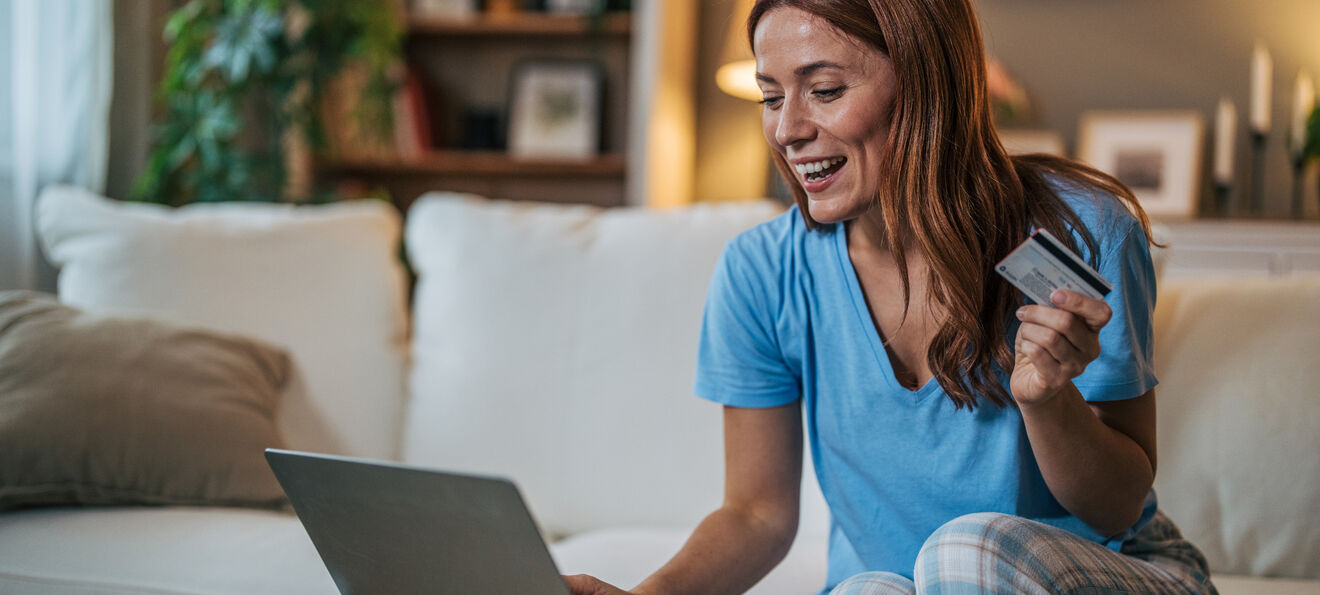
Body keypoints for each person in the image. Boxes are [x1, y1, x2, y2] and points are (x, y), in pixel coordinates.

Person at [566, 0, 1216, 593]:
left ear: (925, 81)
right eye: (770, 97)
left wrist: (1048, 403)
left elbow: (1118, 504)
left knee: (965, 552)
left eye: (823, 90)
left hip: (1109, 571)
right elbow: (756, 512)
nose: (787, 129)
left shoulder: (1079, 228)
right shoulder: (761, 271)